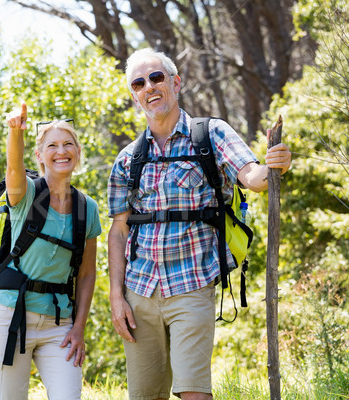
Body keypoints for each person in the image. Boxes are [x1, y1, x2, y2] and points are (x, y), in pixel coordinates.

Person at [107, 48, 292, 400]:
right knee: (145, 396)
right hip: (139, 290)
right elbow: (119, 231)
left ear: (176, 83)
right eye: (139, 83)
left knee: (194, 392)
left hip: (192, 285)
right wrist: (117, 296)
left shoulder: (211, 134)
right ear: (134, 95)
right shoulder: (128, 158)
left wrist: (275, 167)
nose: (150, 87)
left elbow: (252, 175)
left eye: (157, 77)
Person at [0, 103, 102, 400]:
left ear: (78, 151)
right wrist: (15, 131)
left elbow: (86, 274)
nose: (61, 151)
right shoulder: (26, 194)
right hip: (10, 317)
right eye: (52, 146)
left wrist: (79, 327)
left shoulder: (88, 208)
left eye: (68, 144)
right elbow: (13, 168)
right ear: (39, 155)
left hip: (59, 324)